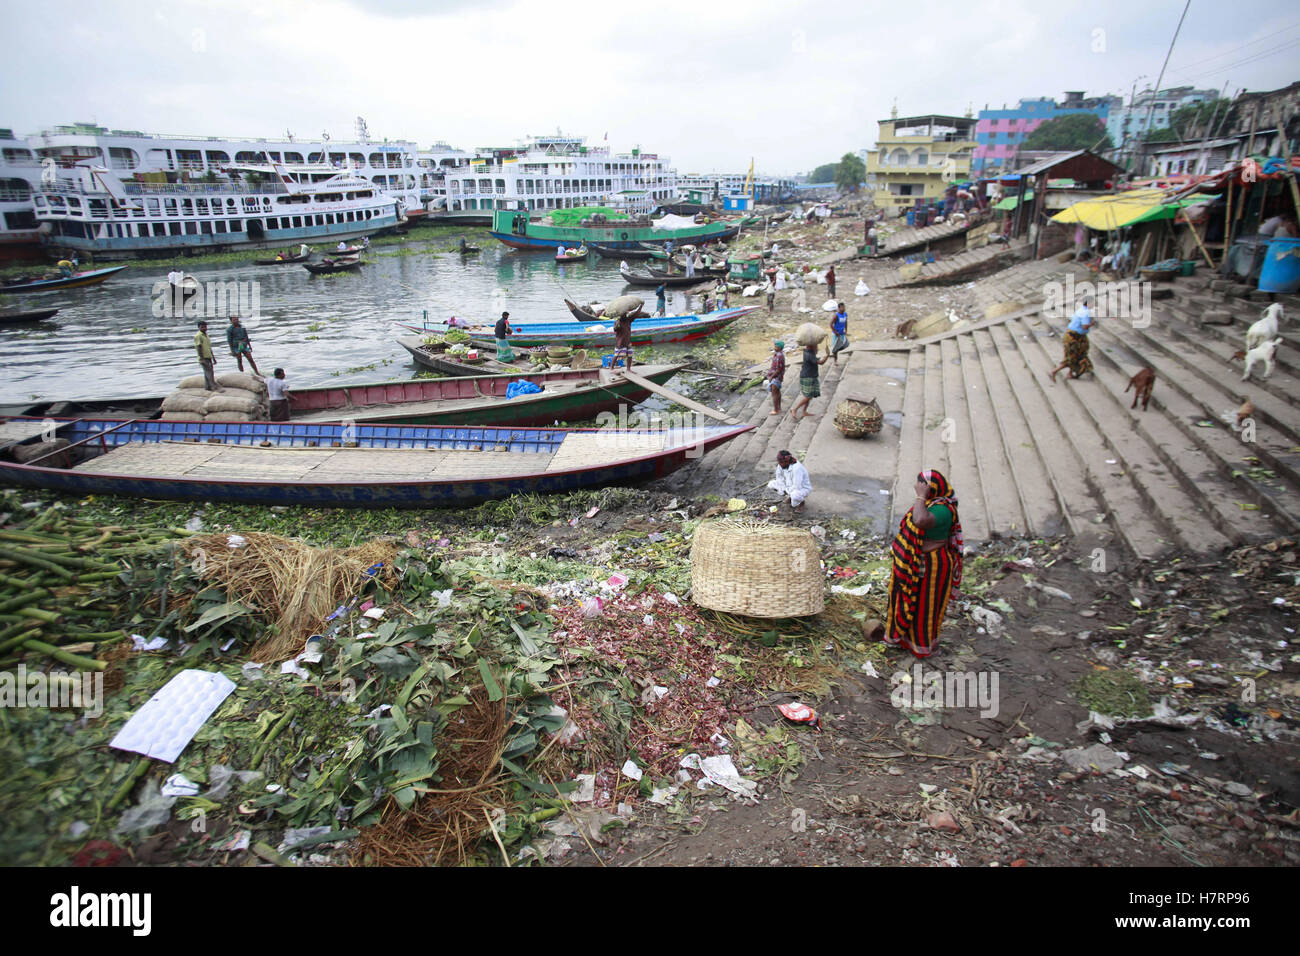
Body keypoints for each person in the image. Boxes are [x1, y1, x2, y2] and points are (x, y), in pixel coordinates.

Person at [883, 469, 963, 658]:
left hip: (932, 566)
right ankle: (900, 638)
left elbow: (919, 521)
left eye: (921, 485)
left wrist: (920, 497)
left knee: (925, 606)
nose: (917, 487)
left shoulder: (943, 509)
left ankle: (921, 646)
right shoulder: (930, 503)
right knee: (904, 599)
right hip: (916, 562)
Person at [1049, 294, 1094, 381]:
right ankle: (1054, 371)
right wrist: (1091, 324)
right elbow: (1085, 326)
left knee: (1076, 355)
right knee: (1071, 358)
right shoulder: (1085, 313)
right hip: (1074, 338)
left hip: (1074, 336)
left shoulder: (1080, 310)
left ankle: (1070, 373)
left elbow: (1071, 320)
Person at [788, 339, 829, 421]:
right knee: (808, 396)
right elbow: (821, 362)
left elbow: (815, 357)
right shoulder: (809, 354)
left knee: (809, 396)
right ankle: (795, 409)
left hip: (810, 375)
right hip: (808, 376)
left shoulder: (808, 351)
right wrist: (827, 355)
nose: (817, 347)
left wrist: (816, 350)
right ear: (811, 346)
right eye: (816, 345)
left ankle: (804, 411)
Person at [765, 340, 787, 415]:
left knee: (774, 394)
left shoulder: (779, 356)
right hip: (777, 377)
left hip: (776, 377)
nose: (774, 348)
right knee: (777, 392)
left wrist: (771, 376)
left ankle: (775, 410)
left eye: (775, 346)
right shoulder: (777, 354)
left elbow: (778, 369)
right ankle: (779, 408)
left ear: (779, 347)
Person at [194, 321, 218, 391]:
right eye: (202, 327)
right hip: (203, 357)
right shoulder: (198, 336)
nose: (204, 328)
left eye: (205, 327)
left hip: (208, 356)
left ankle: (207, 387)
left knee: (207, 372)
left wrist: (213, 357)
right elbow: (199, 347)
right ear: (199, 327)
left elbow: (209, 347)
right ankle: (213, 386)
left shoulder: (206, 335)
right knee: (209, 372)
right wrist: (202, 358)